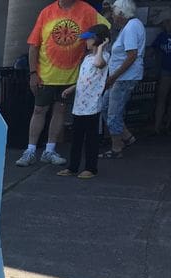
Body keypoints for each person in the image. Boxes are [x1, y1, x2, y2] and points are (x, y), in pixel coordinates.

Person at [15, 0, 108, 167]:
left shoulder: (86, 10)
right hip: (46, 74)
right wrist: (33, 73)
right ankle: (30, 151)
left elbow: (105, 30)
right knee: (39, 110)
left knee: (60, 110)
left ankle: (50, 150)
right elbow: (33, 45)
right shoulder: (47, 12)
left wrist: (96, 51)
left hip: (69, 76)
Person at [58, 24, 111, 178]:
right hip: (79, 105)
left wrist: (101, 47)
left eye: (89, 39)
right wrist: (72, 88)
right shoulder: (87, 58)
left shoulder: (103, 56)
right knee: (77, 138)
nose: (86, 42)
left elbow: (99, 64)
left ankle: (90, 167)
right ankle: (73, 166)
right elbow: (84, 78)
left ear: (97, 40)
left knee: (91, 138)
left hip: (92, 105)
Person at [101, 0, 145, 160]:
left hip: (123, 77)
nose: (112, 16)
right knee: (104, 106)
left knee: (113, 112)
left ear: (121, 13)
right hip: (122, 76)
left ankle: (116, 147)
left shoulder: (132, 27)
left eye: (113, 13)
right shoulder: (131, 26)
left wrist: (113, 77)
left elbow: (131, 55)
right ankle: (127, 137)